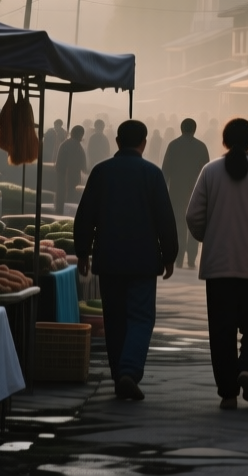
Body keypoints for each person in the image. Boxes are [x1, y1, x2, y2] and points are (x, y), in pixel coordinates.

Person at [186, 118, 248, 410]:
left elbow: (193, 216)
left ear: (224, 140)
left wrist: (211, 236)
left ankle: (228, 392)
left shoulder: (210, 172)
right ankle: (247, 367)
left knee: (221, 329)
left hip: (219, 267)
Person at [74, 119, 179, 400]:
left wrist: (82, 251)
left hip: (108, 259)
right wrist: (170, 255)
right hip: (143, 260)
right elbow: (165, 219)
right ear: (143, 143)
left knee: (115, 317)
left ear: (117, 142)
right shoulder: (152, 174)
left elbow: (85, 215)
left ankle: (119, 371)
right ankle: (129, 372)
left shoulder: (101, 172)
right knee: (141, 316)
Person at [161, 117, 210, 269]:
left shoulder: (173, 145)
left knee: (179, 224)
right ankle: (192, 258)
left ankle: (179, 257)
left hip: (176, 191)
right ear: (194, 129)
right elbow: (206, 172)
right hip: (196, 192)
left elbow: (166, 170)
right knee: (194, 224)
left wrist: (163, 191)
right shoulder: (201, 146)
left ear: (181, 129)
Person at [55, 125, 87, 213]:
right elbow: (83, 167)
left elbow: (58, 164)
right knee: (70, 204)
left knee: (61, 201)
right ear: (80, 134)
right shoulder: (77, 146)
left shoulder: (64, 144)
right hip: (72, 180)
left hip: (62, 178)